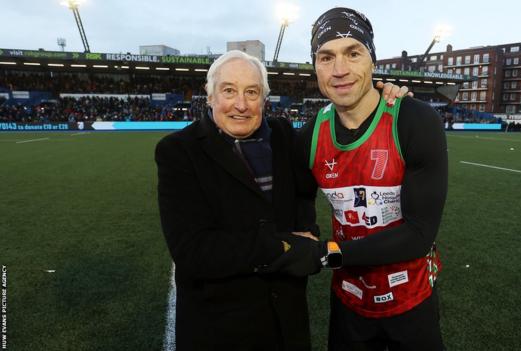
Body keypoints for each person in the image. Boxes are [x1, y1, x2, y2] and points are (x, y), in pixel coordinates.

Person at [156, 49, 411, 350]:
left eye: (251, 92)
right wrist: (285, 246)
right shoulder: (177, 151)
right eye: (228, 91)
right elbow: (193, 251)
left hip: (288, 326)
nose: (241, 104)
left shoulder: (284, 135)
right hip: (220, 329)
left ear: (264, 99)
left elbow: (305, 191)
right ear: (209, 96)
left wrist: (381, 98)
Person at [267, 7, 448, 351]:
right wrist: (307, 231)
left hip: (411, 299)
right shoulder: (309, 136)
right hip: (349, 301)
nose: (339, 70)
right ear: (315, 66)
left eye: (353, 53)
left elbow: (418, 236)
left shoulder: (414, 121)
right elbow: (302, 197)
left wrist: (326, 253)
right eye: (326, 57)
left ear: (372, 60)